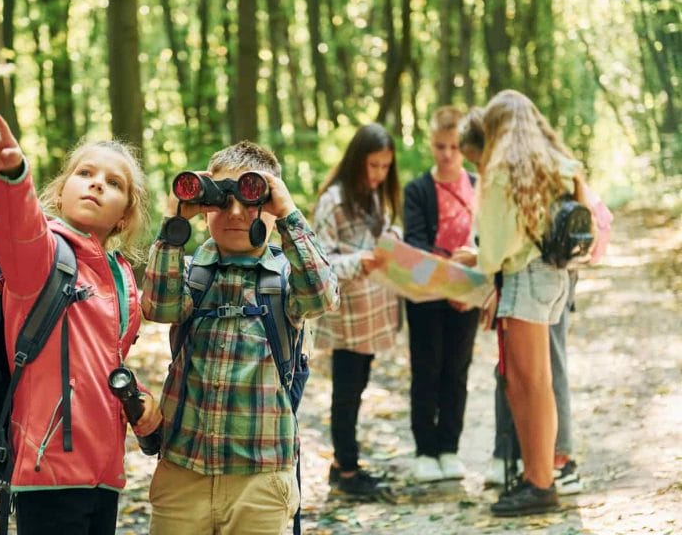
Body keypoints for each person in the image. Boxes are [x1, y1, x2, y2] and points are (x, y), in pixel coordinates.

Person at [0, 114, 162, 534]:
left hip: (105, 473)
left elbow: (100, 362)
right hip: (48, 467)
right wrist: (11, 177)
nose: (97, 183)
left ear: (124, 217)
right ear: (60, 193)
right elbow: (15, 228)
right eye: (85, 173)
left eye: (114, 183)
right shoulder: (40, 259)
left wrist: (140, 401)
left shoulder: (119, 277)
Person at [141, 141, 339, 535]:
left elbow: (322, 295)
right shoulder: (189, 271)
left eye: (249, 200)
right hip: (184, 470)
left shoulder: (285, 278)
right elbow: (159, 308)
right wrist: (173, 224)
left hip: (261, 475)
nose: (234, 213)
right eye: (221, 200)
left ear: (270, 203)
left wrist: (289, 215)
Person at [460, 109, 583, 496]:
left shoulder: (503, 172)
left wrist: (480, 262)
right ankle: (539, 475)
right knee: (536, 381)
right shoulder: (554, 164)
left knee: (527, 383)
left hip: (525, 277)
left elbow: (496, 251)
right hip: (554, 273)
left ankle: (538, 481)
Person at [311, 123, 403, 498]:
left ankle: (344, 464)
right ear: (356, 161)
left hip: (373, 312)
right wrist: (359, 262)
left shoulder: (375, 197)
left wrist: (392, 242)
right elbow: (319, 261)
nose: (379, 175)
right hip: (346, 314)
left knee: (359, 389)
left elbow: (381, 236)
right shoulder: (333, 200)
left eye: (385, 167)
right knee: (346, 393)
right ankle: (346, 472)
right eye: (373, 166)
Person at [403, 107, 481, 483]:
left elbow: (485, 240)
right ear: (430, 143)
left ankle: (449, 448)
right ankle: (425, 450)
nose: (447, 154)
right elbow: (415, 240)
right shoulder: (417, 190)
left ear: (463, 147)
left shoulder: (478, 186)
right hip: (425, 296)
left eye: (453, 146)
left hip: (466, 296)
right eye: (439, 146)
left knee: (457, 370)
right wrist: (450, 271)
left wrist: (468, 279)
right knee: (426, 368)